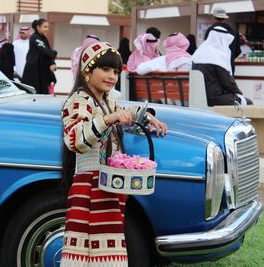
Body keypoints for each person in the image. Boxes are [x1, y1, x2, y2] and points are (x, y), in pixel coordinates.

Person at [60, 41, 167, 266]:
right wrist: (109, 119)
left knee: (105, 250)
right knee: (89, 250)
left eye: (116, 71)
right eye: (106, 69)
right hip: (89, 186)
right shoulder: (80, 100)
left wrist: (148, 117)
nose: (112, 76)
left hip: (106, 185)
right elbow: (75, 139)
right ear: (87, 72)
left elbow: (126, 111)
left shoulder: (106, 100)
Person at [192, 26, 253, 106]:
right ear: (222, 39)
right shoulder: (218, 56)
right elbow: (227, 83)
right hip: (215, 98)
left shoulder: (198, 53)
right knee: (247, 102)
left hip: (197, 98)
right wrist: (239, 94)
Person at [21, 19, 57, 94]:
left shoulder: (44, 39)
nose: (47, 29)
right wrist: (54, 53)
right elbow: (44, 50)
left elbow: (48, 51)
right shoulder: (34, 37)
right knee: (33, 92)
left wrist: (52, 63)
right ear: (38, 27)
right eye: (45, 27)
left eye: (47, 27)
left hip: (41, 69)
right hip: (33, 70)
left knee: (42, 92)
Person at [204, 7, 241, 75]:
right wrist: (230, 56)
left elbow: (206, 49)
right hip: (229, 66)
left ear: (213, 17)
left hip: (213, 67)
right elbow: (238, 51)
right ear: (224, 17)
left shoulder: (210, 30)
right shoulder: (234, 31)